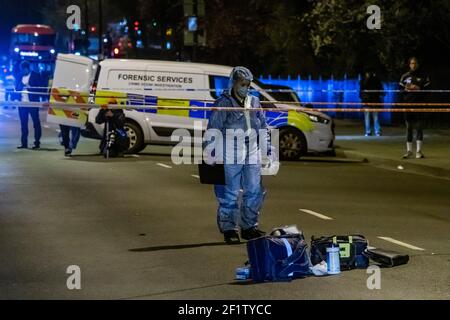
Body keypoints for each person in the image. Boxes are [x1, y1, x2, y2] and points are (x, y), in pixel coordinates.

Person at [206, 66, 272, 244]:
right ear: (234, 83)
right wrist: (210, 153)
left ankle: (249, 227)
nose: (246, 88)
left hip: (251, 152)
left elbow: (263, 126)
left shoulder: (254, 102)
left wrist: (267, 149)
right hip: (230, 153)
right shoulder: (223, 103)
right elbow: (213, 129)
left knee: (254, 190)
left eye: (248, 85)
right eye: (243, 84)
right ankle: (229, 229)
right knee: (230, 193)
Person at [399, 57, 431, 159]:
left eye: (415, 63)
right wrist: (406, 88)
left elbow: (429, 90)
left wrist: (419, 88)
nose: (414, 65)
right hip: (408, 104)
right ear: (409, 65)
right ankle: (409, 151)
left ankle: (418, 151)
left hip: (419, 104)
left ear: (418, 64)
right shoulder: (405, 76)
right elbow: (399, 91)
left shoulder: (424, 76)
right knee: (409, 127)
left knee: (419, 127)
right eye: (412, 63)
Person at [15, 61, 48, 150]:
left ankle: (37, 143)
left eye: (23, 70)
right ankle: (24, 143)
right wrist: (20, 86)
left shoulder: (35, 75)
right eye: (21, 70)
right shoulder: (19, 76)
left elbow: (40, 89)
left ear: (27, 68)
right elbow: (16, 88)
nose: (22, 71)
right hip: (22, 103)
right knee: (23, 124)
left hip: (32, 103)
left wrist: (30, 86)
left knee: (36, 123)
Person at [359, 71, 385, 136]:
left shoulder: (375, 80)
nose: (369, 74)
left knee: (375, 116)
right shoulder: (364, 80)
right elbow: (362, 89)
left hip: (373, 100)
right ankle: (369, 131)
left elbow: (380, 89)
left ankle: (376, 131)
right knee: (368, 116)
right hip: (367, 100)